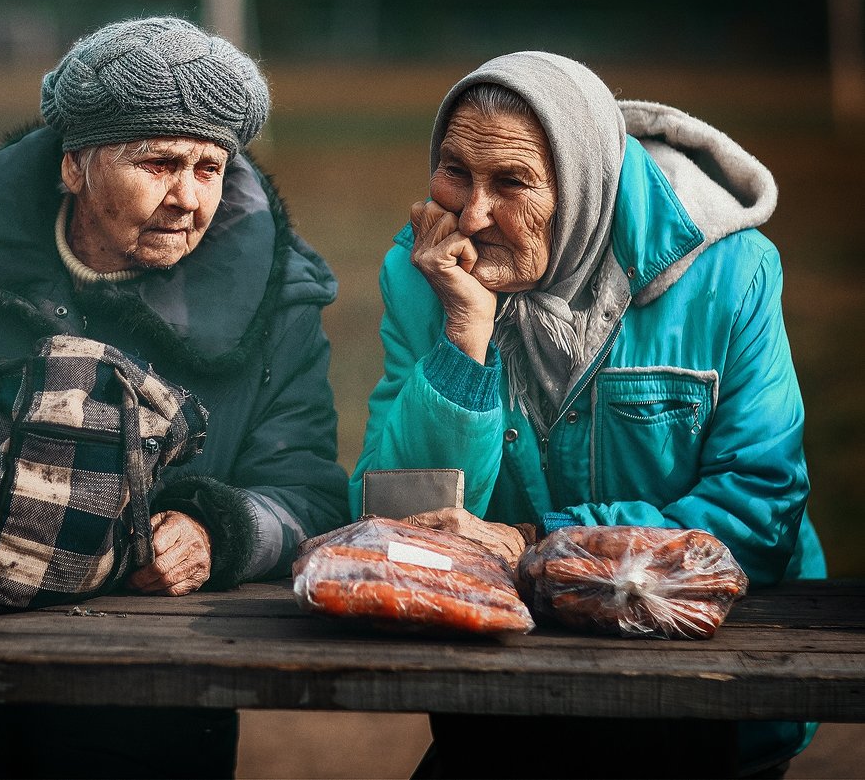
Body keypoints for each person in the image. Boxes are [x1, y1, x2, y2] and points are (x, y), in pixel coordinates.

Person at [0, 16, 349, 779]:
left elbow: (309, 493)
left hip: (144, 711)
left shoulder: (277, 307)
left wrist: (214, 529)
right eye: (158, 163)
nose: (188, 198)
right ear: (74, 166)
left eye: (209, 167)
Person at [350, 51, 825, 779]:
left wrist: (538, 545)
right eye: (455, 172)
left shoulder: (730, 273)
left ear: (582, 185)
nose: (472, 214)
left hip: (700, 696)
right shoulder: (425, 276)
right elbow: (396, 523)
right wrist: (462, 339)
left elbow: (757, 513)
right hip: (501, 703)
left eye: (511, 181)